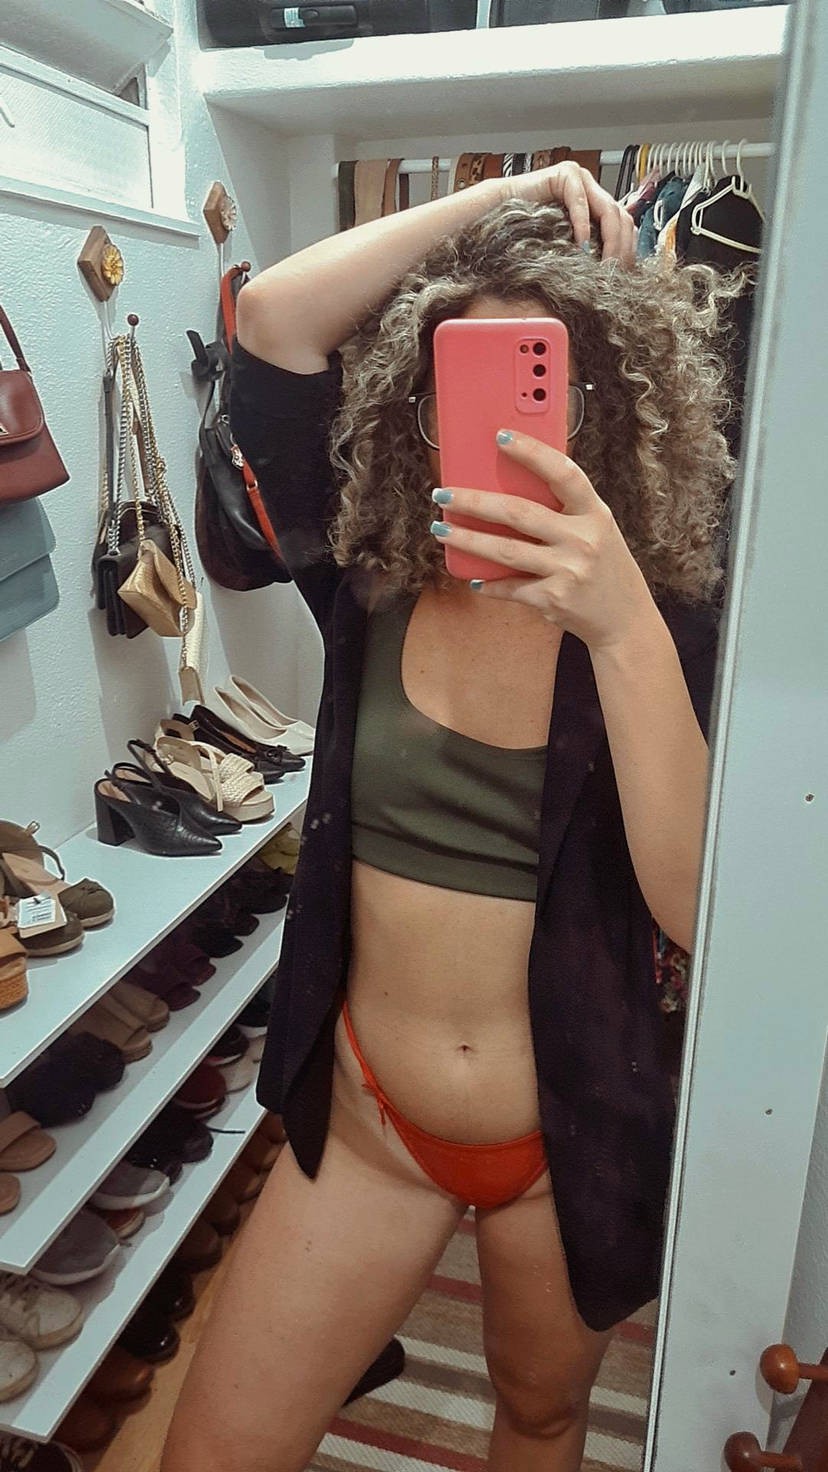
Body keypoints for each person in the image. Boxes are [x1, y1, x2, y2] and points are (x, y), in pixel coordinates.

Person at [161, 162, 736, 1472]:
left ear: (605, 403)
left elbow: (697, 910)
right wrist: (504, 199)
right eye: (461, 385)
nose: (505, 429)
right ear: (414, 406)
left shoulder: (676, 621)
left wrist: (621, 627)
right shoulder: (372, 574)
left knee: (538, 1420)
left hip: (568, 1138)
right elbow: (274, 321)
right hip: (370, 1122)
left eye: (540, 383)